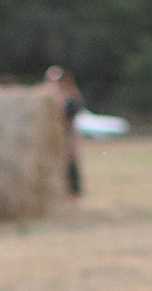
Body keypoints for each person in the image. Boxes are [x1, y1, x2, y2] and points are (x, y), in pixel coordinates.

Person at [45, 66, 84, 196]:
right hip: (51, 135)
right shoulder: (44, 99)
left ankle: (73, 192)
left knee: (70, 160)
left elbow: (73, 115)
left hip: (66, 133)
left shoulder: (69, 97)